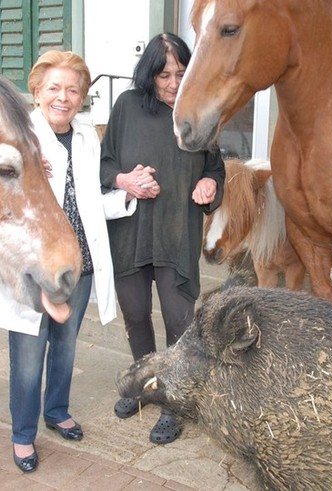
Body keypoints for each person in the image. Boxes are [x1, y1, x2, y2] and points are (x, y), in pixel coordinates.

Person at [0, 50, 136, 473]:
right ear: (37, 91)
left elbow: (86, 201)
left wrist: (126, 195)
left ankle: (57, 410)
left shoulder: (86, 136)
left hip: (75, 264)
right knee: (29, 354)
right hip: (32, 266)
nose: (63, 97)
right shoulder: (14, 135)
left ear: (82, 97)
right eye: (54, 88)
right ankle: (23, 435)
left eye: (73, 89)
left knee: (64, 347)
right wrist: (20, 170)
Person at [100, 32, 225, 445]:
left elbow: (215, 167)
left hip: (176, 234)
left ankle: (174, 402)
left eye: (181, 73)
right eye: (164, 74)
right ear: (149, 74)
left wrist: (209, 183)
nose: (173, 83)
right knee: (136, 315)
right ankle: (145, 385)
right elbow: (105, 165)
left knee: (179, 322)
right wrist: (124, 181)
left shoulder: (199, 110)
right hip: (131, 235)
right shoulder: (126, 108)